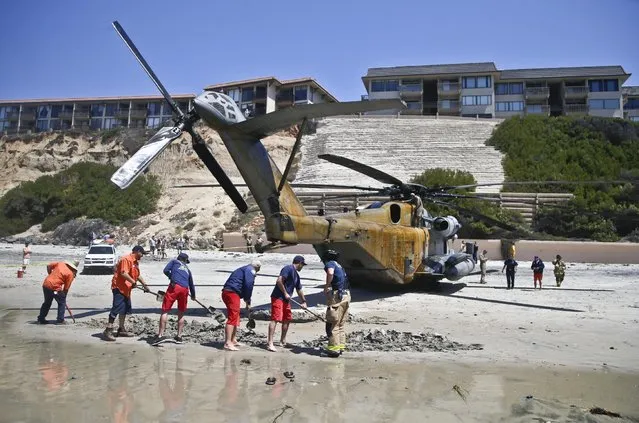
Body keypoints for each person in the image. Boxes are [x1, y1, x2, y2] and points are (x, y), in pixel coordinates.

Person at [103, 245, 151, 341]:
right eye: (142, 254)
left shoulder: (135, 262)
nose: (142, 256)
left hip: (126, 288)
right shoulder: (126, 259)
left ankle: (121, 329)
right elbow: (123, 273)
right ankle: (108, 329)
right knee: (116, 307)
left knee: (124, 309)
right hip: (119, 287)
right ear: (137, 252)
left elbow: (137, 275)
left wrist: (145, 285)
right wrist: (133, 282)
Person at [267, 255, 308, 352]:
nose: (302, 267)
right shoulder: (288, 269)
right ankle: (270, 343)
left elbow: (299, 289)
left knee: (287, 319)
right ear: (299, 263)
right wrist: (285, 293)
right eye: (302, 265)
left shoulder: (296, 276)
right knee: (275, 318)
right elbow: (279, 281)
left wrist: (304, 301)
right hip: (278, 297)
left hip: (286, 299)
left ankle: (282, 341)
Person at [154, 253, 196, 345]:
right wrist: (193, 295)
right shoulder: (188, 270)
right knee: (181, 312)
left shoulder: (174, 261)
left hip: (174, 286)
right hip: (185, 289)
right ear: (185, 261)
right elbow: (191, 284)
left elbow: (165, 270)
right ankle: (179, 337)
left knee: (165, 310)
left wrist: (171, 277)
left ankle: (160, 336)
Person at [221, 260, 261, 351]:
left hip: (230, 292)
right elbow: (248, 285)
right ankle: (227, 343)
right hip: (231, 293)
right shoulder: (251, 270)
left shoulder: (244, 269)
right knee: (233, 317)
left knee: (236, 315)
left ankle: (233, 340)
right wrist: (248, 300)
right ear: (258, 267)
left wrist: (247, 302)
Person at [323, 250, 350, 357]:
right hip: (346, 294)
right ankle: (341, 346)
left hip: (337, 295)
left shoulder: (330, 263)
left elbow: (330, 272)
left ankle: (334, 350)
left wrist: (326, 286)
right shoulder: (340, 265)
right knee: (341, 323)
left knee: (332, 323)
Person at [37, 260, 79, 324]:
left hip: (46, 284)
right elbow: (66, 288)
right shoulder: (70, 274)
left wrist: (50, 274)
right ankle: (60, 320)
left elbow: (48, 266)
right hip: (55, 288)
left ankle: (41, 318)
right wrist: (64, 296)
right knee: (62, 303)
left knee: (47, 302)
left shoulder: (60, 264)